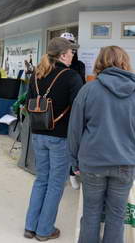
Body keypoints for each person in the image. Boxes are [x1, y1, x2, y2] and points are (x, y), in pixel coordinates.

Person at [68, 46, 135, 243]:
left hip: (92, 164)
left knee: (91, 215)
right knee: (116, 217)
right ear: (125, 62)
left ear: (100, 62)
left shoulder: (88, 90)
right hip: (125, 164)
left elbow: (75, 130)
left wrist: (75, 162)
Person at [24, 37, 83, 241]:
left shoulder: (36, 75)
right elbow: (79, 110)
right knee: (56, 183)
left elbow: (27, 103)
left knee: (42, 179)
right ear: (63, 55)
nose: (73, 55)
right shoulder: (71, 76)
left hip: (38, 132)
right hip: (60, 135)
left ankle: (30, 226)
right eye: (71, 52)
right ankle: (44, 230)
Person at [60, 32, 86, 190]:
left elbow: (81, 85)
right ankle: (65, 172)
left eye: (71, 44)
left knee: (74, 141)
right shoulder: (53, 63)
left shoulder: (79, 65)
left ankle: (72, 171)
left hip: (74, 106)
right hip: (58, 109)